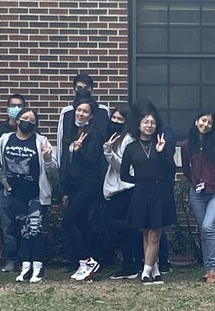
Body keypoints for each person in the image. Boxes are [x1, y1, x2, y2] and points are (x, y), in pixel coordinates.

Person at [0, 107, 58, 284]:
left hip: (36, 194)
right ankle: (26, 267)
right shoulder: (5, 140)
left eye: (32, 120)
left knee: (34, 228)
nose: (28, 122)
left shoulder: (41, 141)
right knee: (24, 231)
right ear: (17, 120)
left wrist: (47, 158)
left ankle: (38, 267)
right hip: (15, 193)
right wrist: (4, 180)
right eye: (25, 118)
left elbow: (54, 170)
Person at [120, 107, 176, 285]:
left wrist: (160, 153)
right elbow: (124, 175)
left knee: (155, 234)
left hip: (160, 192)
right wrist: (140, 180)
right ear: (138, 125)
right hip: (141, 192)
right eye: (145, 122)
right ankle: (155, 269)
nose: (149, 125)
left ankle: (146, 272)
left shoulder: (161, 143)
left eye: (152, 122)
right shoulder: (131, 147)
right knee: (146, 233)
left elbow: (171, 169)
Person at [60, 97, 107, 282]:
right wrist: (65, 189)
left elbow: (93, 163)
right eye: (78, 110)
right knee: (80, 223)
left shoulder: (93, 134)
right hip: (74, 185)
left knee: (68, 221)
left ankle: (87, 260)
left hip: (89, 184)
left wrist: (79, 150)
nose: (80, 114)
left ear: (92, 115)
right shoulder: (71, 132)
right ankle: (85, 264)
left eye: (85, 111)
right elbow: (68, 165)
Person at [181, 111, 215, 283]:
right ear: (196, 121)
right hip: (197, 194)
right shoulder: (187, 146)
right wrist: (194, 181)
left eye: (209, 122)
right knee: (204, 231)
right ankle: (209, 269)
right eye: (203, 120)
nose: (206, 124)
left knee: (209, 227)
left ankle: (213, 268)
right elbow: (185, 168)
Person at [102, 103, 142, 280]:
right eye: (114, 118)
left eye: (120, 119)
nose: (115, 122)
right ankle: (130, 266)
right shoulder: (115, 137)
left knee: (107, 221)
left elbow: (123, 168)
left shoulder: (128, 140)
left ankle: (140, 230)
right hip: (115, 190)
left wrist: (108, 152)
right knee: (122, 232)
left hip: (125, 190)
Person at [0, 93, 27, 273]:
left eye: (20, 105)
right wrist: (4, 181)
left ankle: (26, 259)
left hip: (27, 189)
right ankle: (11, 260)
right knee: (9, 226)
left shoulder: (31, 130)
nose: (16, 108)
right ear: (7, 108)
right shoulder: (0, 132)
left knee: (26, 224)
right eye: (13, 105)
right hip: (6, 188)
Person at [56, 73, 110, 169]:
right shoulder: (67, 112)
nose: (83, 91)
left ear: (92, 90)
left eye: (86, 88)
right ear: (74, 90)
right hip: (73, 168)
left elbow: (107, 137)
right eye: (79, 88)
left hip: (97, 168)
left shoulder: (103, 111)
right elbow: (61, 143)